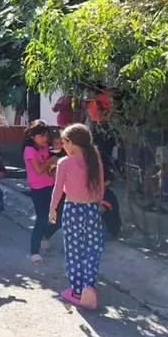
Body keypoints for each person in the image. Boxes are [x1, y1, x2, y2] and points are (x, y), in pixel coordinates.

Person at [49, 124, 105, 309]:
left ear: (71, 143)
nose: (63, 146)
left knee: (74, 249)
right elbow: (100, 189)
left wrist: (52, 208)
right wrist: (97, 204)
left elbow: (58, 189)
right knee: (92, 248)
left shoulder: (64, 163)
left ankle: (77, 291)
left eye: (64, 142)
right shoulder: (95, 160)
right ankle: (89, 286)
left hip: (72, 209)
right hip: (92, 209)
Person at [23, 120, 62, 264]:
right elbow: (38, 169)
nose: (45, 139)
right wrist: (52, 160)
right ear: (32, 136)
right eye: (42, 136)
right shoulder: (29, 150)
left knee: (59, 216)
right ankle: (34, 251)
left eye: (46, 136)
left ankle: (45, 238)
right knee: (42, 218)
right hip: (38, 189)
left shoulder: (45, 147)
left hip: (51, 186)